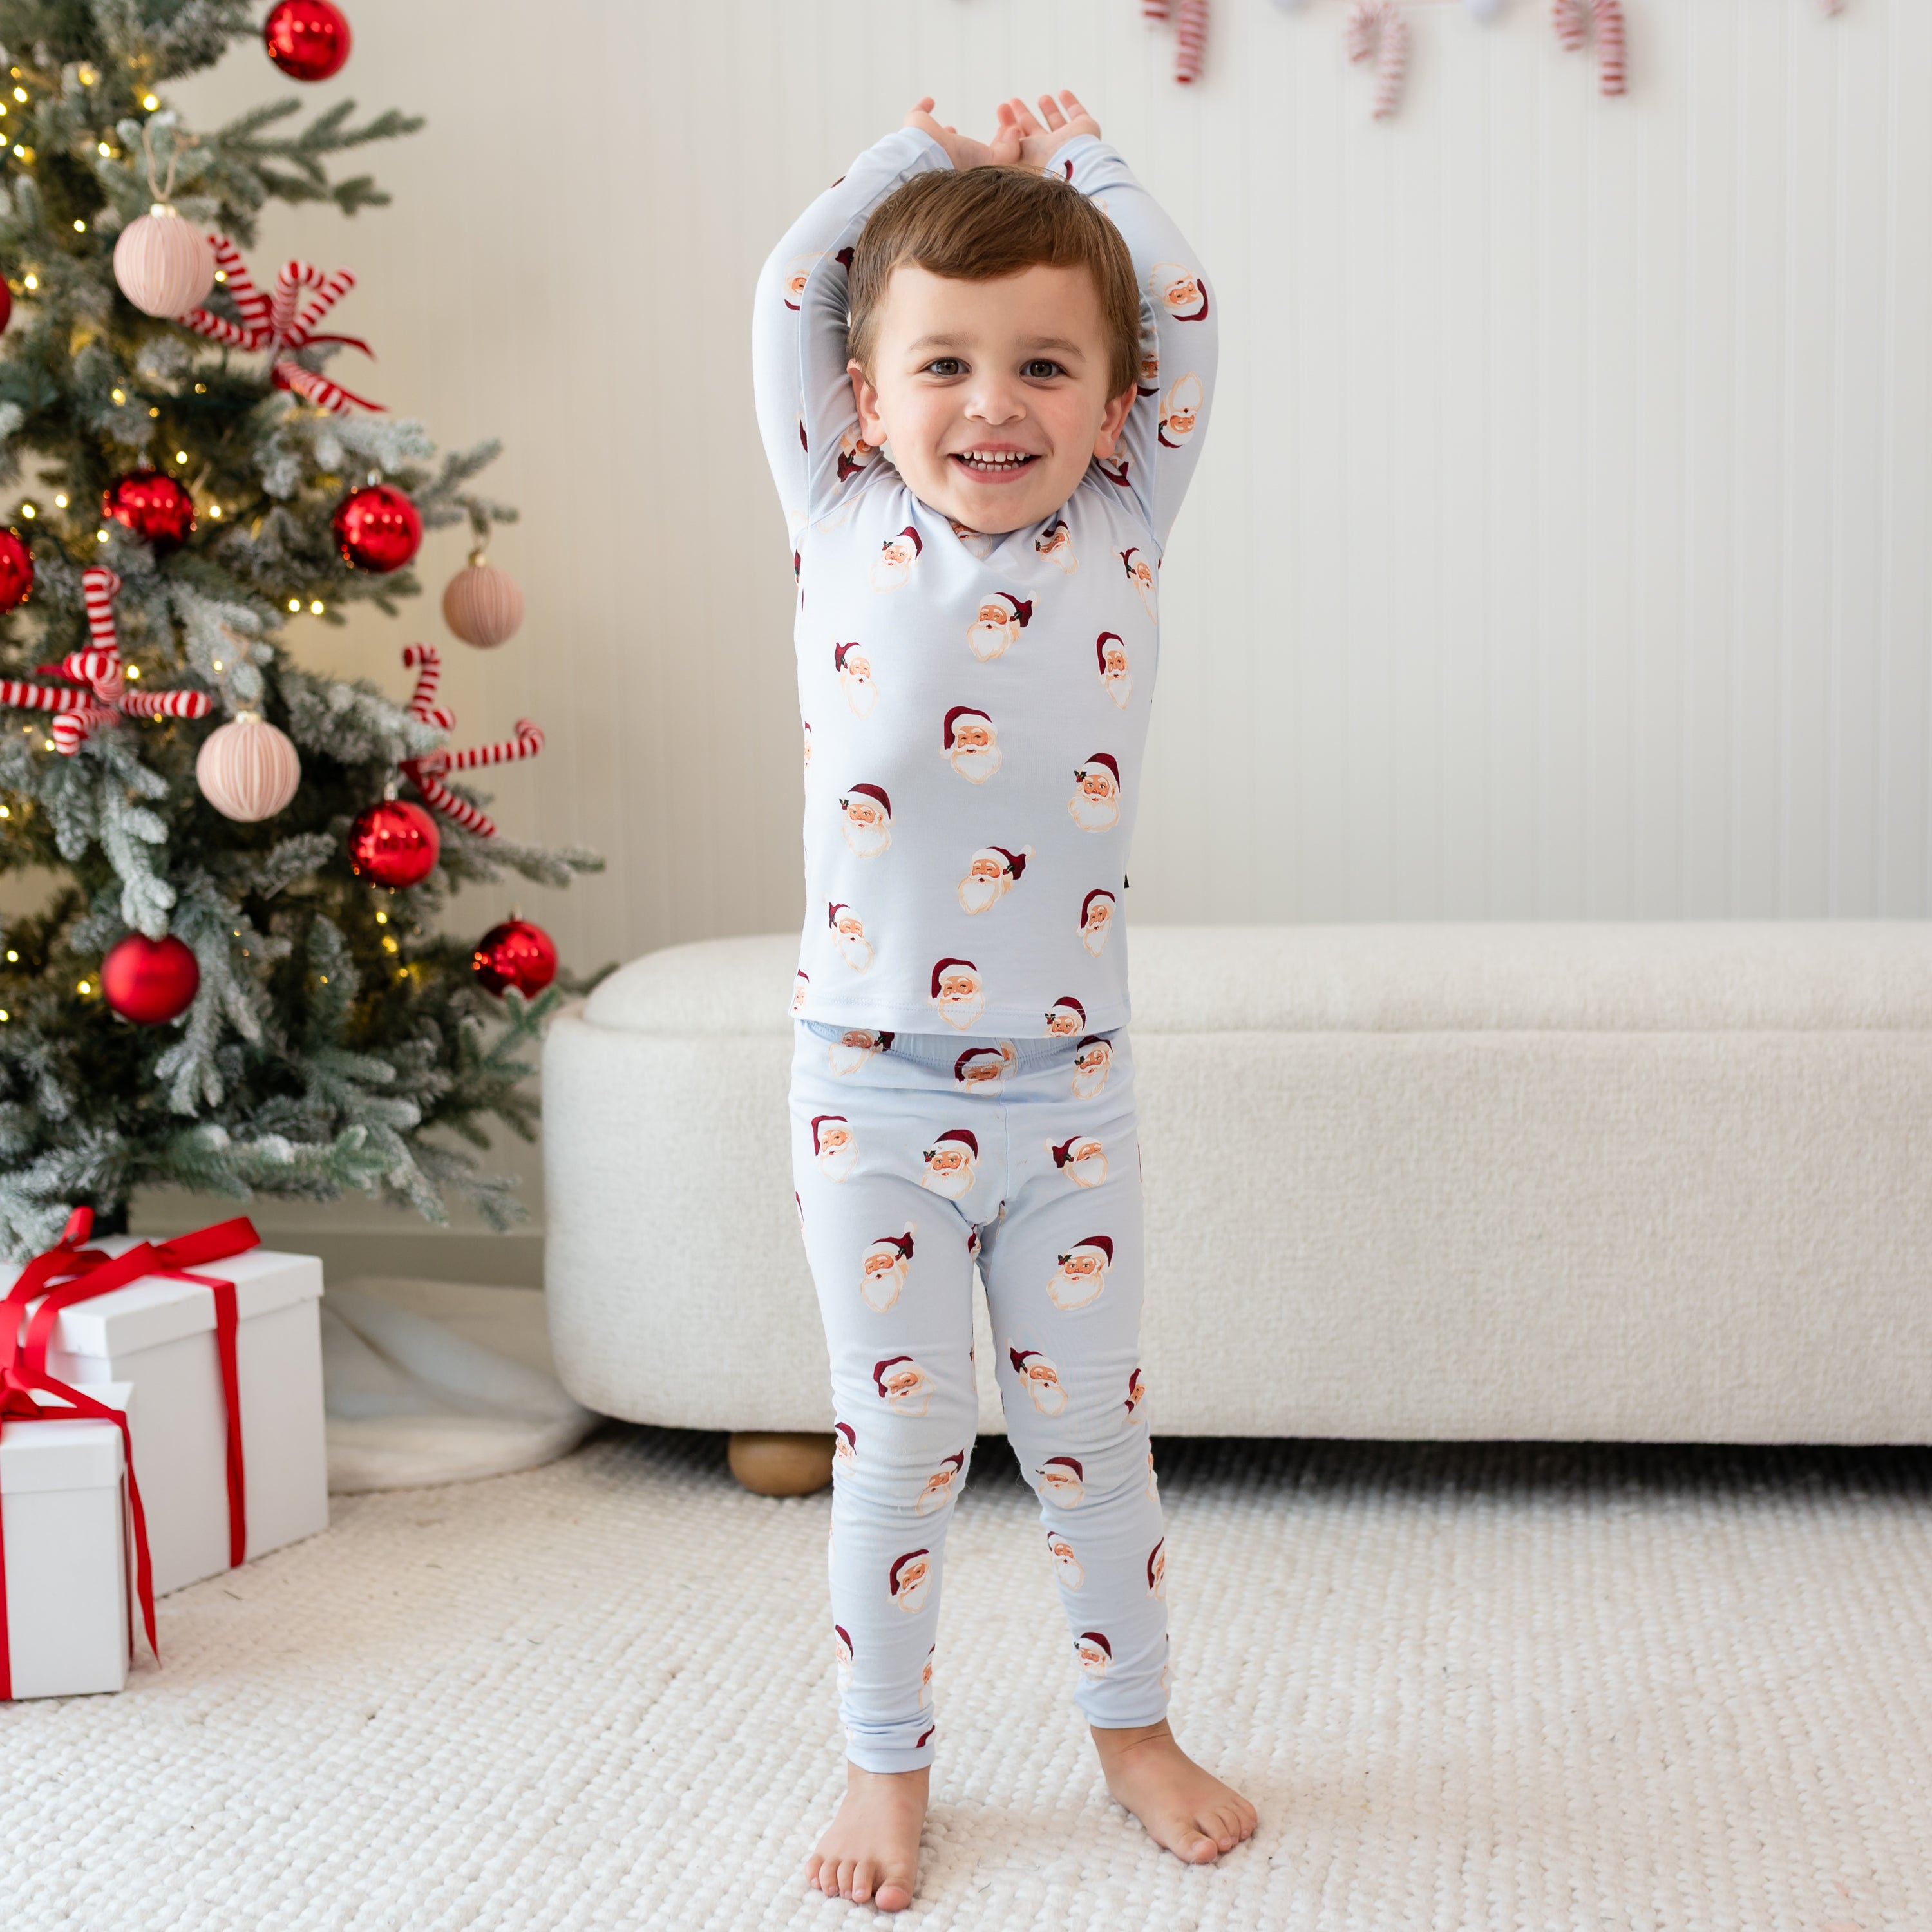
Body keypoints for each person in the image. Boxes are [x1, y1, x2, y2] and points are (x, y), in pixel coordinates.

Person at [755, 86, 1254, 1914]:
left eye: (1047, 367)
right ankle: (887, 1771)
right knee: (896, 1444)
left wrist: (1096, 175)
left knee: (1090, 1436)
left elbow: (1184, 306)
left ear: (1113, 409)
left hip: (1068, 1097)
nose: (994, 404)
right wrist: (903, 158)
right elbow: (789, 290)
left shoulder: (1122, 522)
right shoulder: (838, 512)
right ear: (865, 400)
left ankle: (1131, 1732)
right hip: (865, 1084)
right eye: (944, 365)